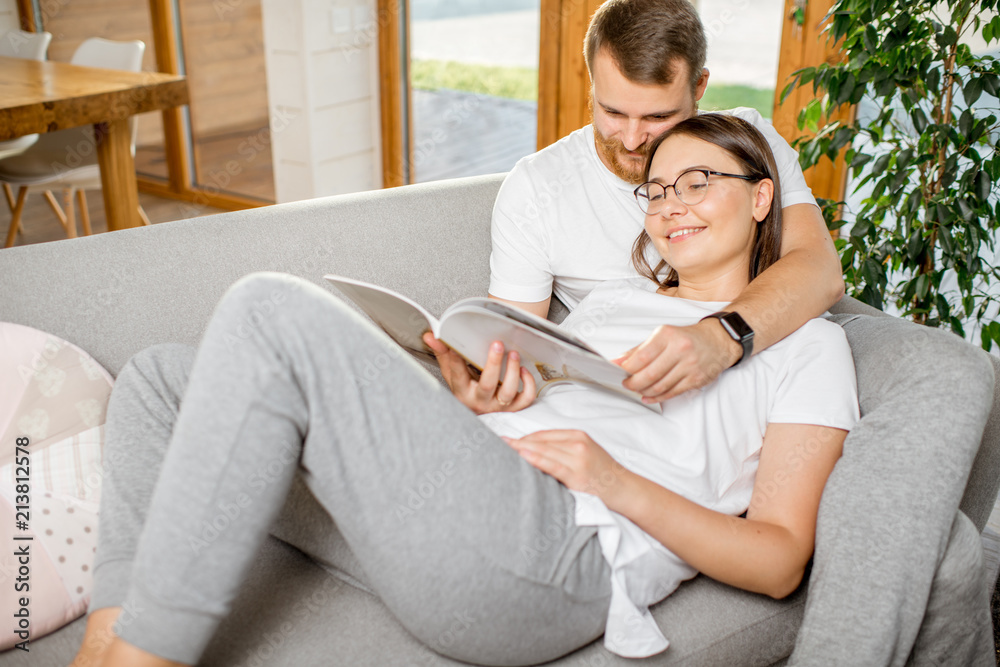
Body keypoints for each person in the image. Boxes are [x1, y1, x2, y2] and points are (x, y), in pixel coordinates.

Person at [72, 115, 857, 667]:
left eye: (698, 181)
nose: (671, 203)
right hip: (470, 506)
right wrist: (489, 401)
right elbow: (551, 403)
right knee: (155, 379)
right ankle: (101, 649)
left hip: (564, 556)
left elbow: (780, 561)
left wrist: (614, 480)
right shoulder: (611, 304)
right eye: (655, 190)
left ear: (761, 196)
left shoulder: (808, 346)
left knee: (269, 308)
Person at [427, 1, 996, 664]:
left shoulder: (740, 136)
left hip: (780, 320)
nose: (635, 139)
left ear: (698, 88)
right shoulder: (541, 188)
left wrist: (723, 336)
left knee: (956, 369)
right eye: (613, 112)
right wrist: (496, 386)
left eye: (659, 117)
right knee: (948, 556)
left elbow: (818, 271)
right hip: (663, 372)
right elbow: (515, 341)